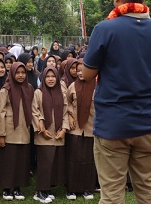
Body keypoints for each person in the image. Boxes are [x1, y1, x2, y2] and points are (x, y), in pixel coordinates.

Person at [82, 0, 151, 204]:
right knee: (147, 188)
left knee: (112, 194)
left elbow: (87, 73)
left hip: (114, 124)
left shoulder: (105, 29)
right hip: (150, 123)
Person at [0, 62, 34, 201]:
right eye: (17, 73)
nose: (20, 75)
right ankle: (7, 188)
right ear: (12, 73)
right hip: (10, 130)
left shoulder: (29, 88)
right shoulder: (6, 89)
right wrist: (0, 134)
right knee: (9, 161)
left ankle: (17, 188)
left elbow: (33, 108)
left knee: (21, 160)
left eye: (23, 73)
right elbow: (0, 113)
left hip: (24, 130)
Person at [32, 66, 69, 203]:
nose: (51, 79)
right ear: (43, 78)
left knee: (53, 164)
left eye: (53, 76)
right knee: (44, 164)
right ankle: (40, 191)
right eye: (47, 76)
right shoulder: (38, 92)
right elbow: (34, 111)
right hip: (44, 133)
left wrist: (64, 129)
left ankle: (47, 189)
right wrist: (41, 126)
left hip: (58, 133)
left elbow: (66, 112)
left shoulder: (61, 93)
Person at [65, 59, 97, 200]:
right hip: (75, 129)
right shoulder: (72, 86)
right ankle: (72, 189)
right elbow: (67, 104)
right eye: (78, 70)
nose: (80, 73)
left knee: (89, 160)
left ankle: (87, 188)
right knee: (74, 159)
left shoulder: (97, 87)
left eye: (83, 70)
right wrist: (70, 117)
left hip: (91, 128)